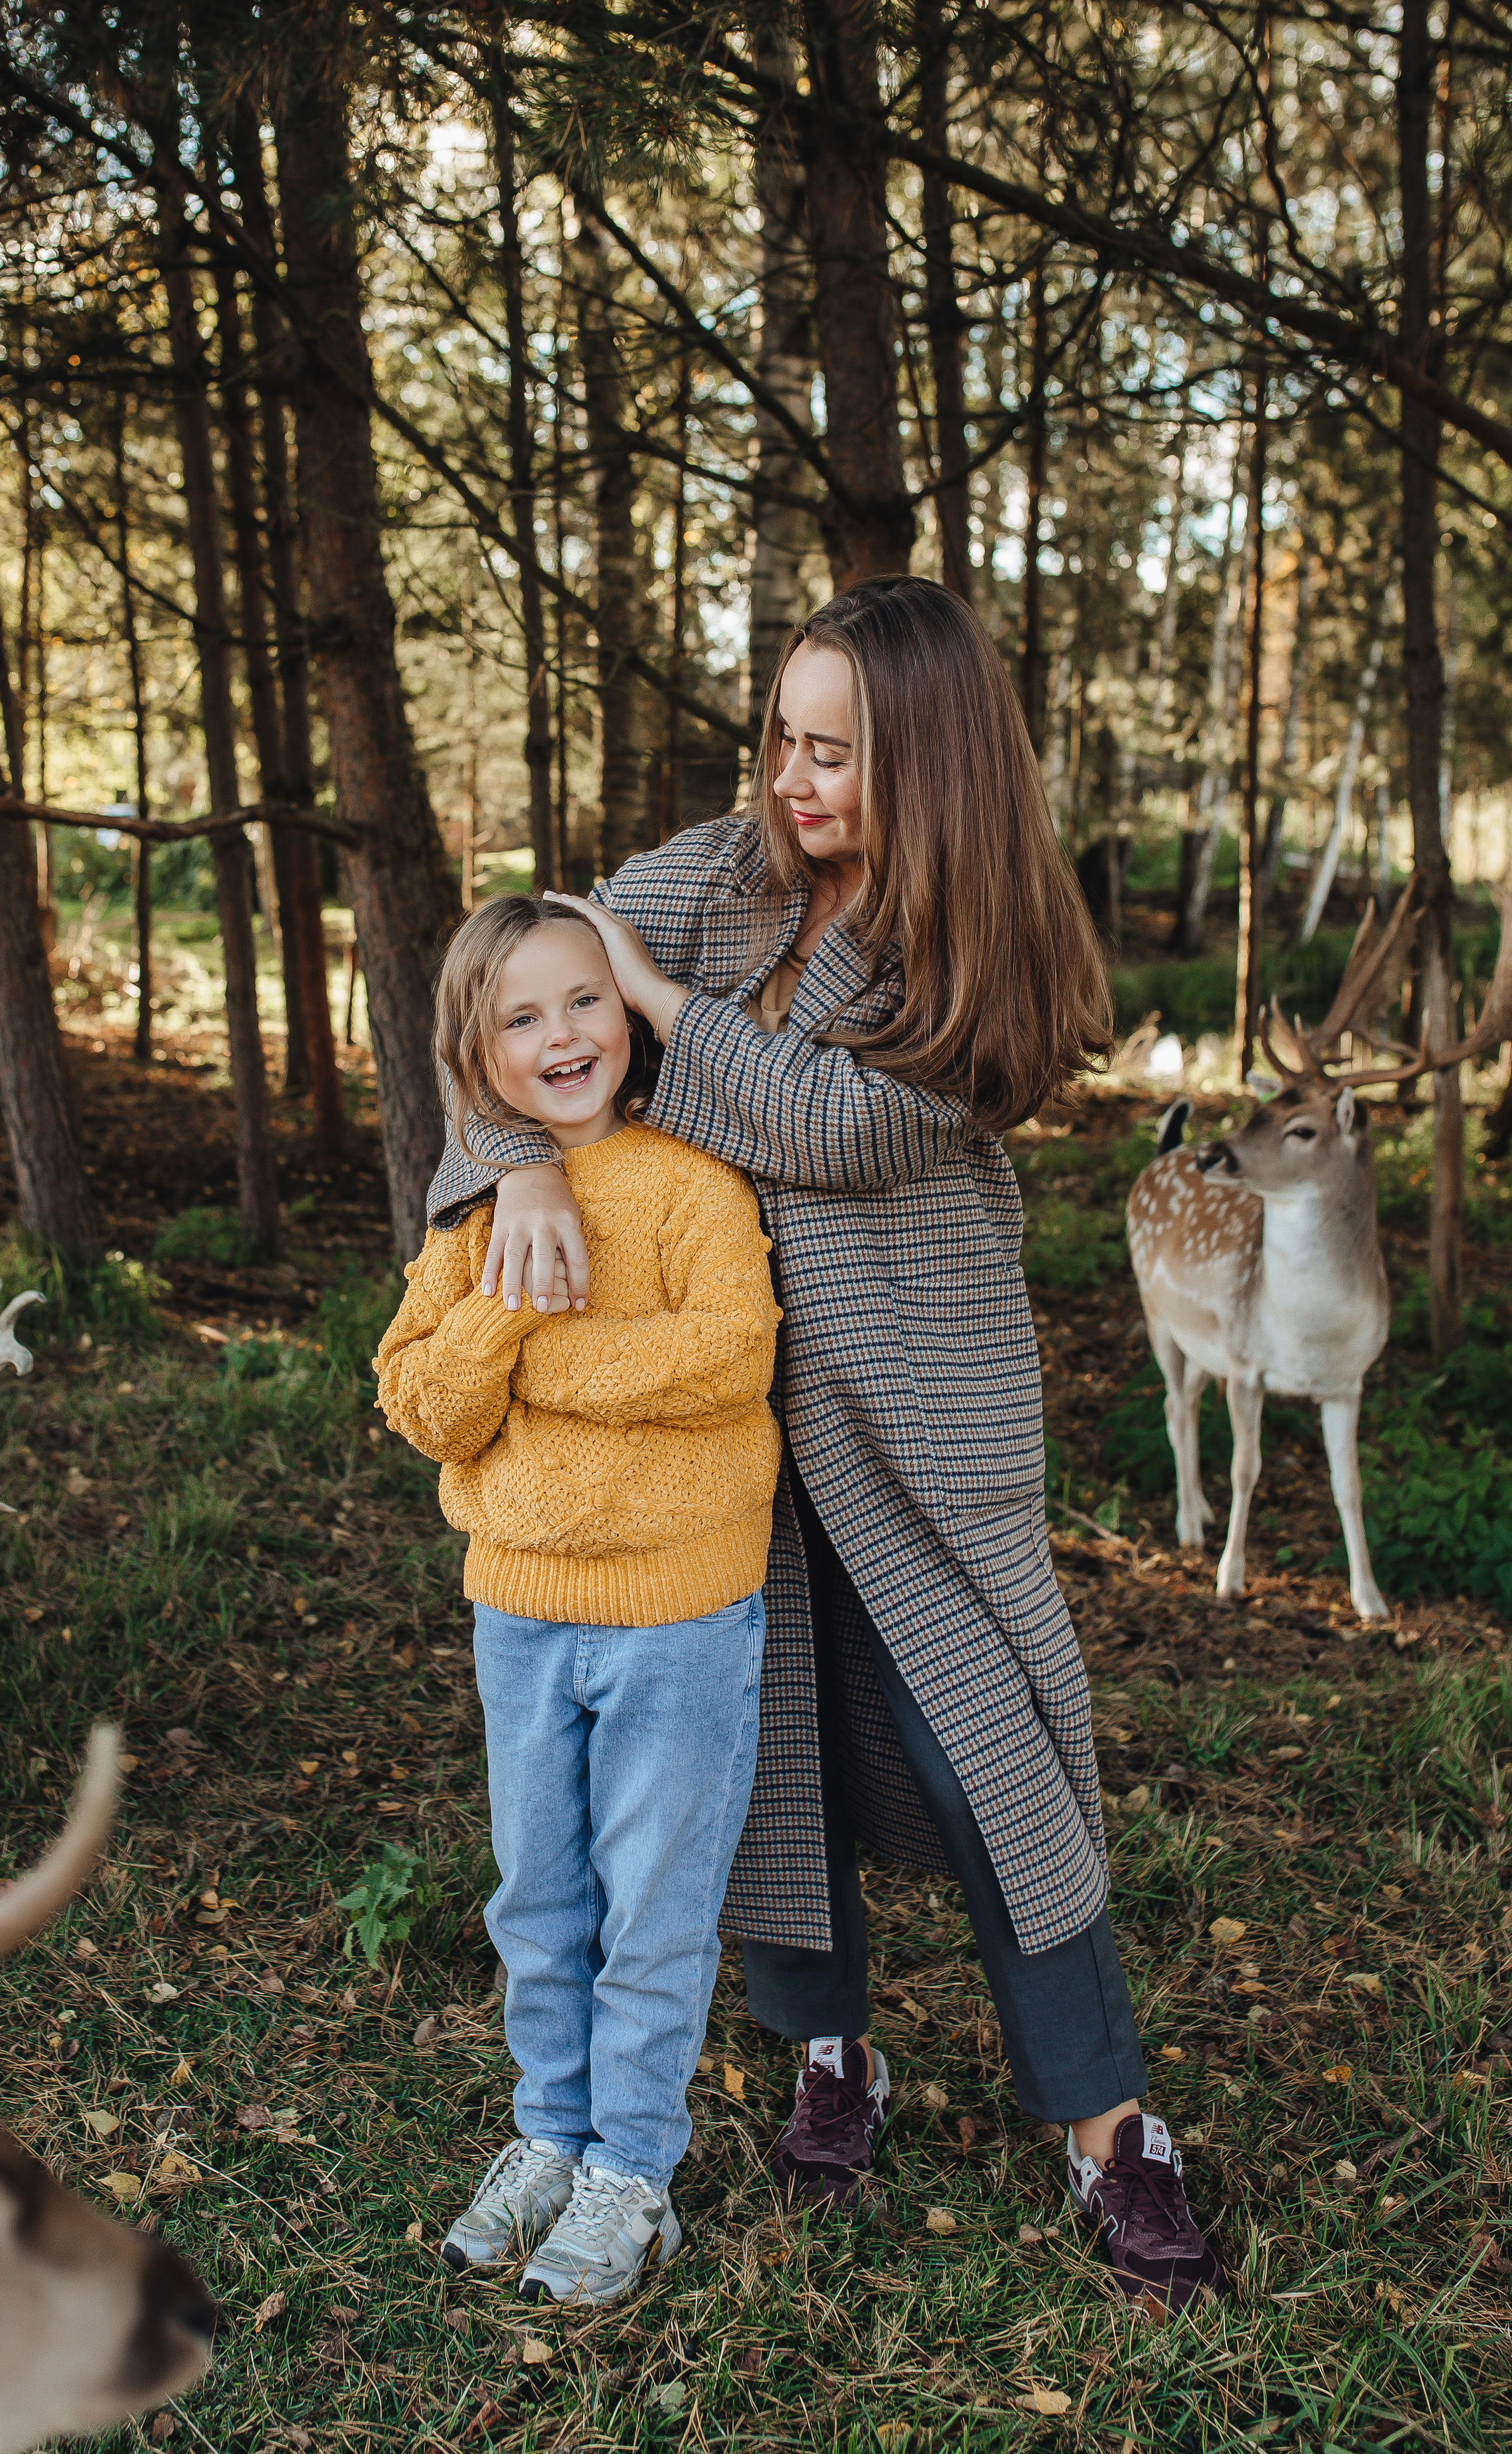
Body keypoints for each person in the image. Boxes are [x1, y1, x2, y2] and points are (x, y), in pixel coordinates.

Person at [427, 578, 1225, 2319]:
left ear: (928, 762)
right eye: (781, 737)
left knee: (984, 1756)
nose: (794, 782)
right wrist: (518, 1163)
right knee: (755, 1745)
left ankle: (1109, 2134)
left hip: (905, 1414)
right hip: (699, 1419)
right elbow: (505, 995)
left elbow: (838, 1125)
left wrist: (655, 1002)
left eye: (836, 752)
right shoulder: (715, 878)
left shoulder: (979, 946)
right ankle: (827, 2058)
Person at [374, 895, 780, 2306]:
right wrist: (498, 1303)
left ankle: (630, 2172)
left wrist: (536, 1370)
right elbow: (420, 1401)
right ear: (476, 1058)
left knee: (651, 1905)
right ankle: (547, 2133)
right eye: (521, 1018)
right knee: (540, 1897)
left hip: (680, 1616)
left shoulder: (690, 1188)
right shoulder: (472, 1213)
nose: (560, 1037)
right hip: (522, 1615)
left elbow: (728, 1359)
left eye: (583, 1002)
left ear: (626, 1015)